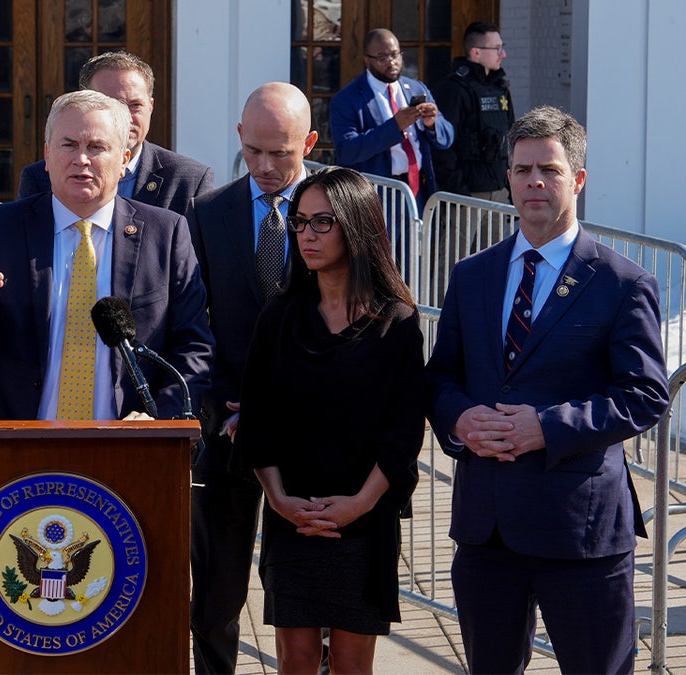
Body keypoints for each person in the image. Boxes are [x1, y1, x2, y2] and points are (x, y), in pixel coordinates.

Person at [426, 106, 670, 673]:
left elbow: (645, 394)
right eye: (522, 169)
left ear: (577, 179)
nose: (534, 181)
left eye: (550, 170)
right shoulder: (472, 275)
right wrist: (459, 420)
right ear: (509, 178)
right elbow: (440, 377)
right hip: (487, 531)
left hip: (580, 533)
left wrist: (547, 427)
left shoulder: (623, 282)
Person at [0, 89, 213, 420]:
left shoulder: (165, 233)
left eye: (97, 147)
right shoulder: (1, 227)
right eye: (69, 145)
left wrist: (159, 422)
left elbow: (194, 346)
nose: (81, 159)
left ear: (123, 160)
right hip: (19, 437)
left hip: (127, 440)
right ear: (47, 155)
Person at [236, 166, 425, 674]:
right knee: (295, 661)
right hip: (292, 517)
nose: (307, 235)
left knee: (351, 664)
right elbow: (257, 421)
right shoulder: (278, 317)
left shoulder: (397, 322)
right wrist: (279, 500)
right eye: (300, 222)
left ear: (356, 225)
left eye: (323, 222)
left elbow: (405, 432)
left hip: (364, 521)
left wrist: (359, 504)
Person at [185, 81, 318, 674]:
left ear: (309, 144)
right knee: (217, 591)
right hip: (227, 432)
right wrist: (223, 408)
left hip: (312, 435)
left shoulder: (338, 209)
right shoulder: (207, 214)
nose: (264, 167)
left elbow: (361, 322)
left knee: (308, 591)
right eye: (254, 151)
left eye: (280, 154)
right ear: (240, 136)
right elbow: (193, 324)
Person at [17, 50, 214, 216]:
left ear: (151, 107)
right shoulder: (41, 178)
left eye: (135, 105)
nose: (125, 117)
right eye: (110, 104)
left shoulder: (189, 180)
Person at [330, 28, 454, 209]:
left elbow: (447, 138)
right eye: (382, 58)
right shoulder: (347, 99)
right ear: (367, 60)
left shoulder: (416, 88)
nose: (392, 62)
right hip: (377, 197)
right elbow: (347, 150)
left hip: (419, 192)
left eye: (395, 55)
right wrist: (394, 126)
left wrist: (432, 124)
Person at [432, 21, 514, 204]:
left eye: (502, 47)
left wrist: (511, 189)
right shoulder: (453, 89)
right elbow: (442, 146)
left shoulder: (500, 88)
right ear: (476, 52)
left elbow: (512, 139)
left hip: (499, 192)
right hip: (466, 196)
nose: (503, 54)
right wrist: (459, 193)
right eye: (497, 48)